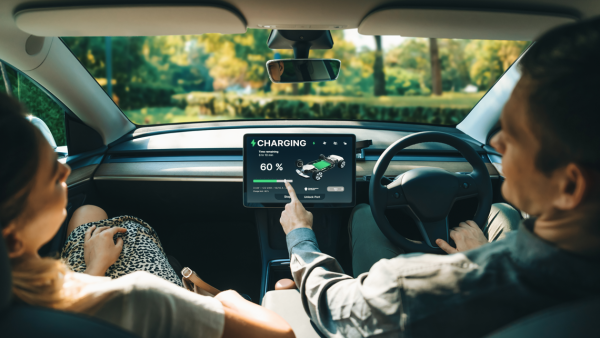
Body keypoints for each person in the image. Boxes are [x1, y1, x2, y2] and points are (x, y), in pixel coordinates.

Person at [279, 17, 600, 337]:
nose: (495, 143)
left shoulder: (412, 289)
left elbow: (334, 308)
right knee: (502, 214)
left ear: (569, 186)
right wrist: (476, 255)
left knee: (361, 221)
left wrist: (299, 234)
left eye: (513, 135)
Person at [0, 94, 295, 338]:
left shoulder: (22, 308)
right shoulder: (140, 298)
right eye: (49, 174)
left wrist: (95, 270)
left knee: (89, 215)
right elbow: (281, 334)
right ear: (11, 240)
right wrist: (226, 298)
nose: (65, 170)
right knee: (284, 289)